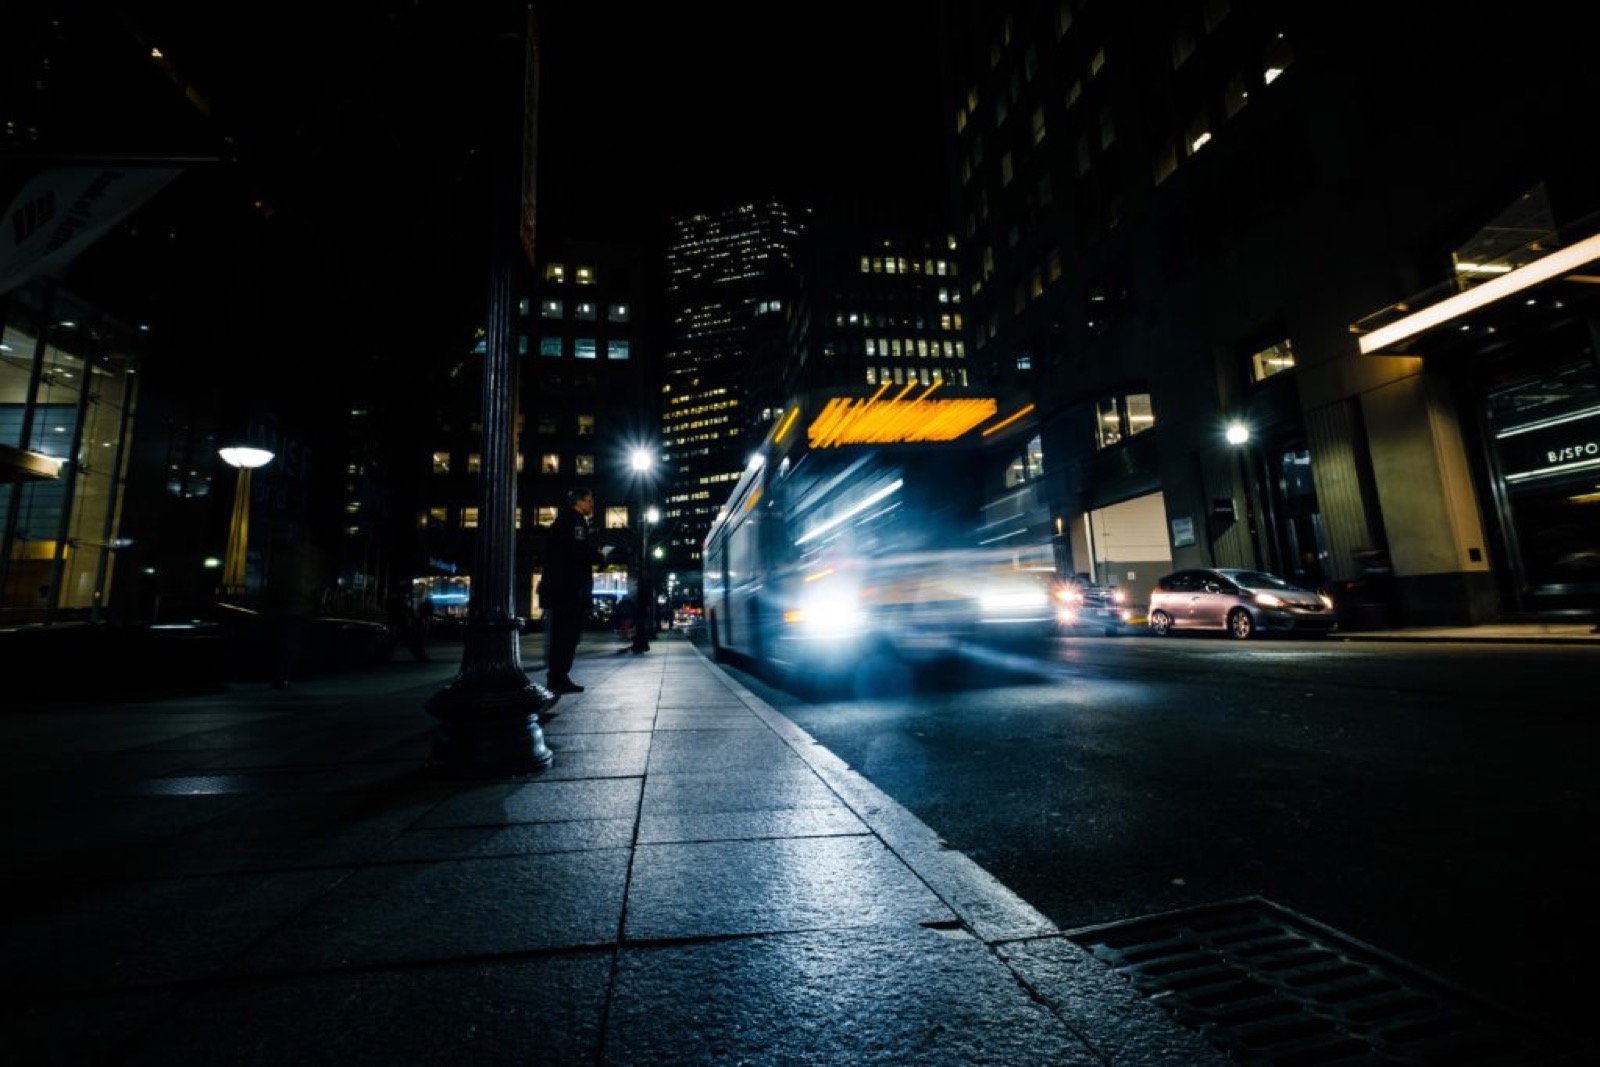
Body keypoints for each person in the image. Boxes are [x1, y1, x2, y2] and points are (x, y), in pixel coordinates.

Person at [540, 486, 606, 693]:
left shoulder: (562, 521)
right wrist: (599, 556)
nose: (592, 505)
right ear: (579, 502)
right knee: (567, 636)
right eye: (589, 501)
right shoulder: (575, 522)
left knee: (562, 635)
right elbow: (577, 554)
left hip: (561, 589)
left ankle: (557, 677)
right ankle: (559, 678)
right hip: (570, 590)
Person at [384, 592, 430, 662]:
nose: (406, 600)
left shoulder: (399, 607)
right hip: (403, 626)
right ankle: (421, 656)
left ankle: (385, 657)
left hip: (401, 626)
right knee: (412, 640)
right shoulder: (402, 608)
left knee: (392, 642)